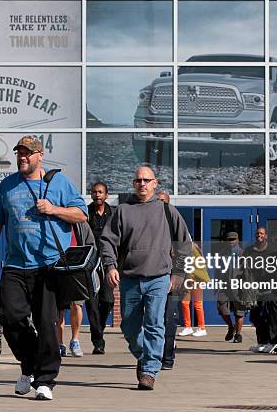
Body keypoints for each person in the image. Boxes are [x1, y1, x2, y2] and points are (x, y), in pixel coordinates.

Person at [0, 135, 87, 401]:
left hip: (48, 265)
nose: (22, 157)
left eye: (27, 153)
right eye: (19, 153)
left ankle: (45, 380)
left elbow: (81, 214)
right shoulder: (7, 186)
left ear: (40, 155)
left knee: (47, 324)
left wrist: (53, 209)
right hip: (15, 264)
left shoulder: (59, 182)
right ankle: (28, 364)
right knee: (9, 317)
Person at [102, 166, 190, 390]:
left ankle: (150, 371)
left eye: (146, 180)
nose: (142, 183)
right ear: (134, 183)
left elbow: (184, 243)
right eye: (138, 180)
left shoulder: (167, 211)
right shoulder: (122, 210)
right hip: (130, 278)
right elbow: (107, 241)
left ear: (155, 183)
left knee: (154, 324)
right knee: (129, 328)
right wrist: (111, 266)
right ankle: (144, 355)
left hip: (159, 278)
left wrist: (178, 273)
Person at [57, 221, 96, 357]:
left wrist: (86, 263)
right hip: (57, 268)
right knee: (58, 310)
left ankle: (75, 340)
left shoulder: (80, 222)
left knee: (77, 305)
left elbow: (91, 244)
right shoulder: (53, 218)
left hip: (76, 268)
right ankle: (59, 343)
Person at [85, 181, 114, 354]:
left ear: (106, 195)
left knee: (108, 300)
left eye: (100, 192)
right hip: (89, 263)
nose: (97, 195)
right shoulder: (85, 213)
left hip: (107, 262)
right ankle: (98, 342)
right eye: (95, 192)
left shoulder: (114, 213)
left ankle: (99, 329)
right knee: (92, 304)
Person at [156, 190, 181, 370]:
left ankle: (168, 358)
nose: (161, 206)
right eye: (158, 202)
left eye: (164, 202)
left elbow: (186, 248)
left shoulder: (175, 220)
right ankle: (152, 355)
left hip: (172, 278)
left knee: (169, 319)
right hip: (153, 277)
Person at [243, 226, 273, 352]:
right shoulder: (249, 250)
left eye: (261, 233)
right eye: (257, 234)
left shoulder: (272, 250)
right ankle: (260, 342)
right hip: (253, 287)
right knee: (255, 316)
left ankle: (268, 342)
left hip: (267, 287)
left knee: (265, 315)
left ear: (266, 236)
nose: (259, 235)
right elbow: (244, 268)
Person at [217, 232, 245, 343]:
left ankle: (238, 334)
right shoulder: (223, 253)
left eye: (233, 239)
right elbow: (219, 269)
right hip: (224, 285)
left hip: (239, 286)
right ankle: (230, 326)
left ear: (238, 240)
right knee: (222, 308)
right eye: (229, 239)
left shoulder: (242, 253)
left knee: (239, 311)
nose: (231, 241)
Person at [178, 242, 208, 338]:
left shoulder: (190, 247)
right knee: (184, 303)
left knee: (197, 303)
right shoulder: (187, 247)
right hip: (188, 279)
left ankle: (202, 328)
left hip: (197, 279)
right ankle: (188, 327)